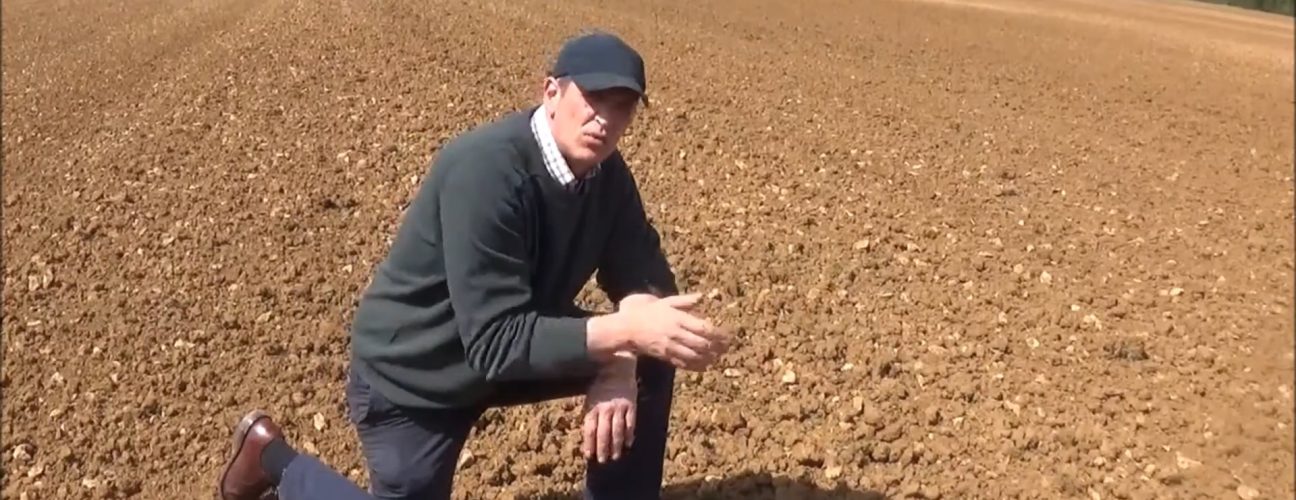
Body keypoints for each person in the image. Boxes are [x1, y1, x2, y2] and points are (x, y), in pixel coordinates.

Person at [236, 30, 730, 500]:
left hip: (513, 343)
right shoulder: (486, 171)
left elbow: (643, 273)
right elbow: (496, 342)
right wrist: (624, 333)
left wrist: (623, 359)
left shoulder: (606, 175)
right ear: (551, 92)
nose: (605, 118)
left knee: (653, 351)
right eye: (594, 97)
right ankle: (273, 460)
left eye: (622, 106)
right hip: (418, 375)